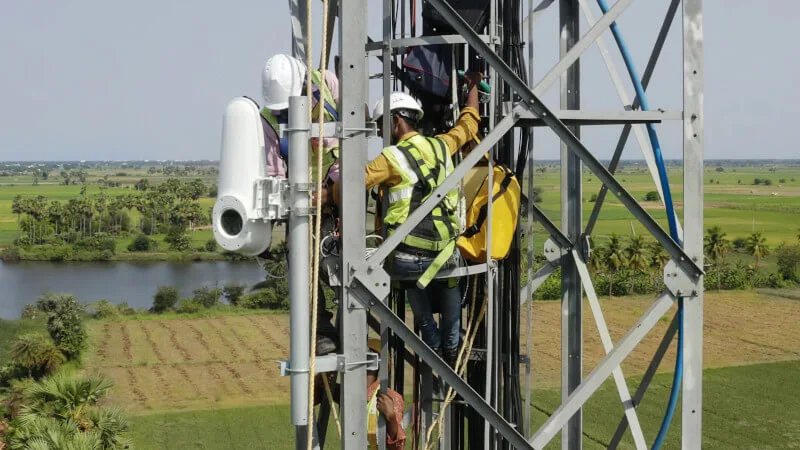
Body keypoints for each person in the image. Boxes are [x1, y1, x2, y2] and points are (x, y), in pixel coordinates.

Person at [321, 72, 483, 366]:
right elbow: (469, 124)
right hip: (446, 253)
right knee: (449, 296)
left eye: (385, 127)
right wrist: (472, 87)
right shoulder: (441, 145)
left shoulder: (390, 158)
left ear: (396, 122)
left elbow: (353, 186)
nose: (383, 134)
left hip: (407, 260)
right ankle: (451, 350)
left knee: (415, 293)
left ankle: (433, 347)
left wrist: (325, 195)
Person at [260, 53, 342, 355]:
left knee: (342, 265)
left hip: (340, 193)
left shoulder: (328, 83)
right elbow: (274, 174)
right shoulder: (268, 119)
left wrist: (335, 192)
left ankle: (353, 323)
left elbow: (355, 128)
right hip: (302, 203)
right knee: (303, 267)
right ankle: (321, 332)